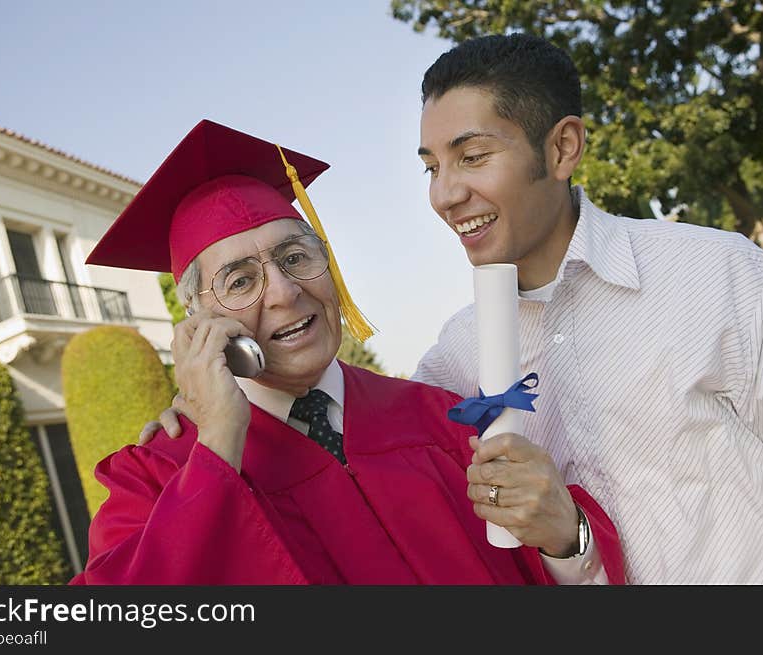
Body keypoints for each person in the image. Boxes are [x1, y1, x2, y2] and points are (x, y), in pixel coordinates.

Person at [143, 34, 763, 584]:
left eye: (472, 156)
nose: (445, 194)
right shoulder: (454, 365)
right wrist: (202, 405)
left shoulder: (717, 275)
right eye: (432, 166)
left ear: (562, 147)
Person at [70, 119, 625, 585]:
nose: (286, 293)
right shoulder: (157, 477)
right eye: (240, 282)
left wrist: (568, 538)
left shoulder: (439, 419)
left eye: (295, 257)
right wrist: (216, 445)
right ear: (200, 324)